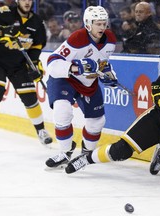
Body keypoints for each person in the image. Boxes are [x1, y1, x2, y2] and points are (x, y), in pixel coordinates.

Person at [45, 6, 118, 168]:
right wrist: (76, 67)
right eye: (97, 24)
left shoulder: (111, 39)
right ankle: (64, 153)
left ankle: (86, 155)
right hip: (66, 79)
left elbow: (103, 63)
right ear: (87, 24)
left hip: (88, 82)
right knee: (62, 110)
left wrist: (109, 74)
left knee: (98, 122)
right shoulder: (77, 38)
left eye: (104, 23)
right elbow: (52, 62)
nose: (102, 27)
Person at [0, 0, 52, 145]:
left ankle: (41, 130)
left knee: (30, 98)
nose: (27, 2)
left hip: (19, 65)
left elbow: (36, 47)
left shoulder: (37, 23)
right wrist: (4, 31)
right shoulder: (4, 13)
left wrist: (34, 64)